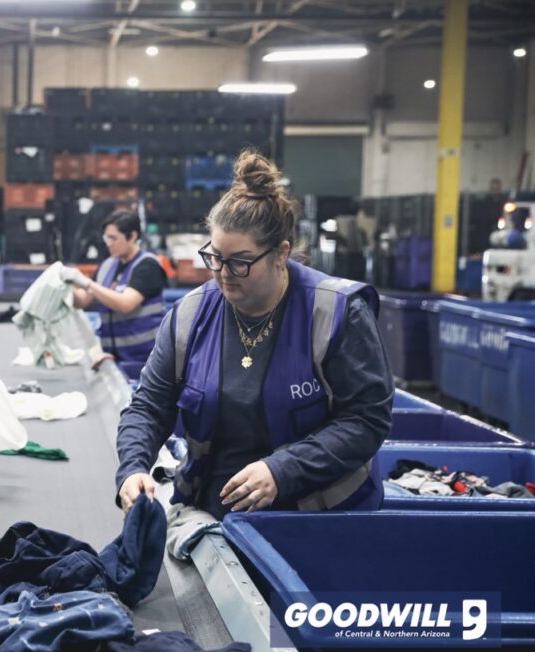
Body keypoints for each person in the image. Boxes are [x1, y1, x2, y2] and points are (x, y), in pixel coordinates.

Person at [115, 151, 393, 520]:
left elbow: (366, 419)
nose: (224, 273)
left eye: (241, 261)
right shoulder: (191, 316)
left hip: (320, 518)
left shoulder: (337, 313)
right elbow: (149, 406)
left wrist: (283, 470)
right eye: (215, 257)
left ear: (281, 253)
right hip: (217, 511)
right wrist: (133, 468)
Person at [61, 210, 168, 365]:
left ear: (132, 236)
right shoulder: (107, 266)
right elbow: (82, 301)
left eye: (113, 238)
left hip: (145, 360)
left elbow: (126, 304)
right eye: (106, 238)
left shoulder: (147, 266)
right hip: (115, 358)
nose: (108, 243)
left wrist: (87, 283)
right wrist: (65, 284)